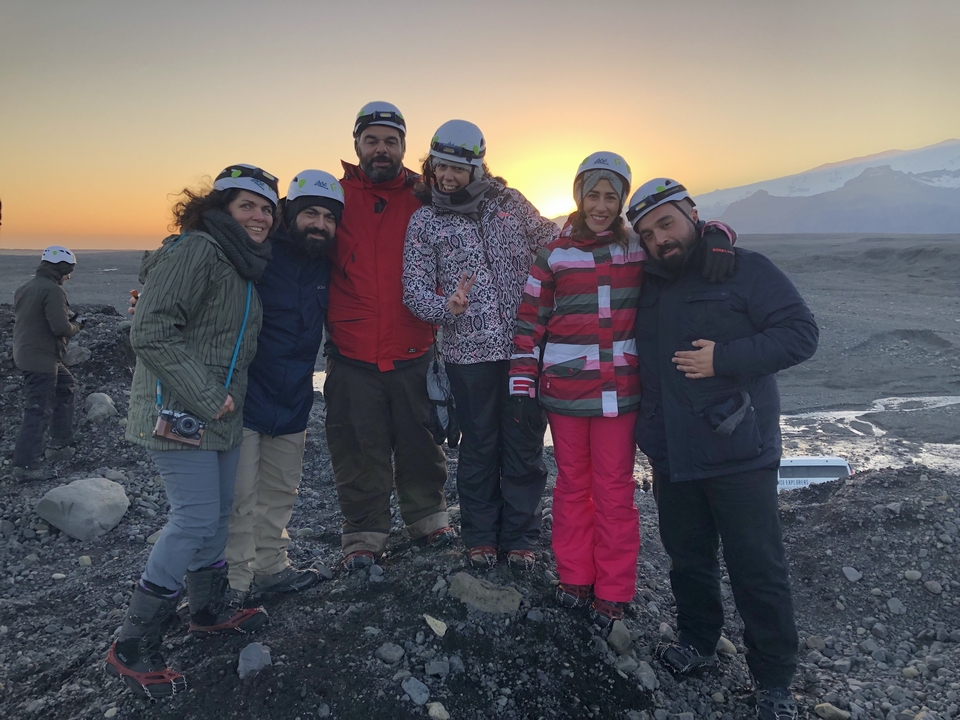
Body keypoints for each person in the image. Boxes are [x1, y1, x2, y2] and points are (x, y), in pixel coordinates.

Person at [627, 178, 818, 720]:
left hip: (739, 450)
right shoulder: (645, 283)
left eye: (666, 223)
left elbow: (801, 333)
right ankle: (698, 643)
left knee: (757, 567)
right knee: (687, 559)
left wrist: (725, 357)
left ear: (691, 213)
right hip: (672, 453)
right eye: (647, 233)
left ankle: (775, 681)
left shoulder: (744, 268)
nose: (660, 239)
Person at [105, 164, 276, 698]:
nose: (261, 215)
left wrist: (221, 403)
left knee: (216, 515)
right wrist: (207, 396)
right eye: (247, 204)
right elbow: (150, 330)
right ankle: (132, 643)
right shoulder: (197, 249)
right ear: (219, 206)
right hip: (179, 410)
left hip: (218, 414)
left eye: (268, 208)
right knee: (195, 517)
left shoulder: (239, 263)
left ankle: (206, 609)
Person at [403, 120, 558, 570]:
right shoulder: (425, 219)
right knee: (479, 446)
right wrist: (445, 307)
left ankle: (521, 537)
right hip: (467, 356)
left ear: (478, 167)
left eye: (457, 168)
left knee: (524, 444)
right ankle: (480, 537)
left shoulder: (509, 204)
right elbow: (412, 289)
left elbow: (553, 242)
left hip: (524, 351)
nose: (447, 177)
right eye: (439, 167)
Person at [508, 153, 645, 628]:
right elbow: (529, 323)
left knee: (614, 491)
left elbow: (686, 242)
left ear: (623, 199)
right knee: (571, 488)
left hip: (619, 396)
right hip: (565, 396)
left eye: (612, 196)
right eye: (593, 195)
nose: (602, 205)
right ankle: (574, 578)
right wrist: (522, 385)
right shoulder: (554, 254)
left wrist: (716, 237)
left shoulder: (638, 248)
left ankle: (612, 590)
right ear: (578, 196)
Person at [325, 101, 453, 569]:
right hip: (351, 353)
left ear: (403, 147)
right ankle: (363, 535)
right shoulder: (333, 198)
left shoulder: (429, 196)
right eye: (372, 140)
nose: (381, 149)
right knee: (357, 447)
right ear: (356, 144)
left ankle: (429, 519)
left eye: (391, 141)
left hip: (414, 349)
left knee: (421, 442)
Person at [224, 170, 343, 599]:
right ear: (290, 212)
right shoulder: (257, 254)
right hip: (245, 398)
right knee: (239, 498)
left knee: (280, 491)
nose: (320, 224)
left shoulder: (327, 263)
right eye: (311, 213)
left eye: (329, 218)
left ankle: (272, 568)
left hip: (293, 398)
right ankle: (233, 586)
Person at [11, 246, 83, 481]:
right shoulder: (53, 290)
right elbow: (60, 328)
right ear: (61, 268)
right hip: (40, 358)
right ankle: (26, 467)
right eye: (68, 271)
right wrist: (77, 326)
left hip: (30, 353)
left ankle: (60, 442)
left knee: (66, 386)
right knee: (38, 408)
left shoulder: (26, 287)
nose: (69, 276)